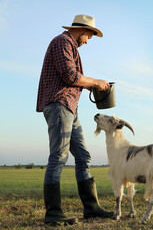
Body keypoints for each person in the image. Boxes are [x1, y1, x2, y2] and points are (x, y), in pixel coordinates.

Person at [36, 14, 113, 225]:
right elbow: (70, 76)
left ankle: (92, 208)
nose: (88, 41)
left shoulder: (70, 46)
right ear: (81, 30)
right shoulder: (62, 42)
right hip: (59, 105)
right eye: (90, 35)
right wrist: (95, 82)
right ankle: (53, 213)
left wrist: (90, 85)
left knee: (83, 156)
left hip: (70, 108)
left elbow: (72, 79)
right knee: (59, 156)